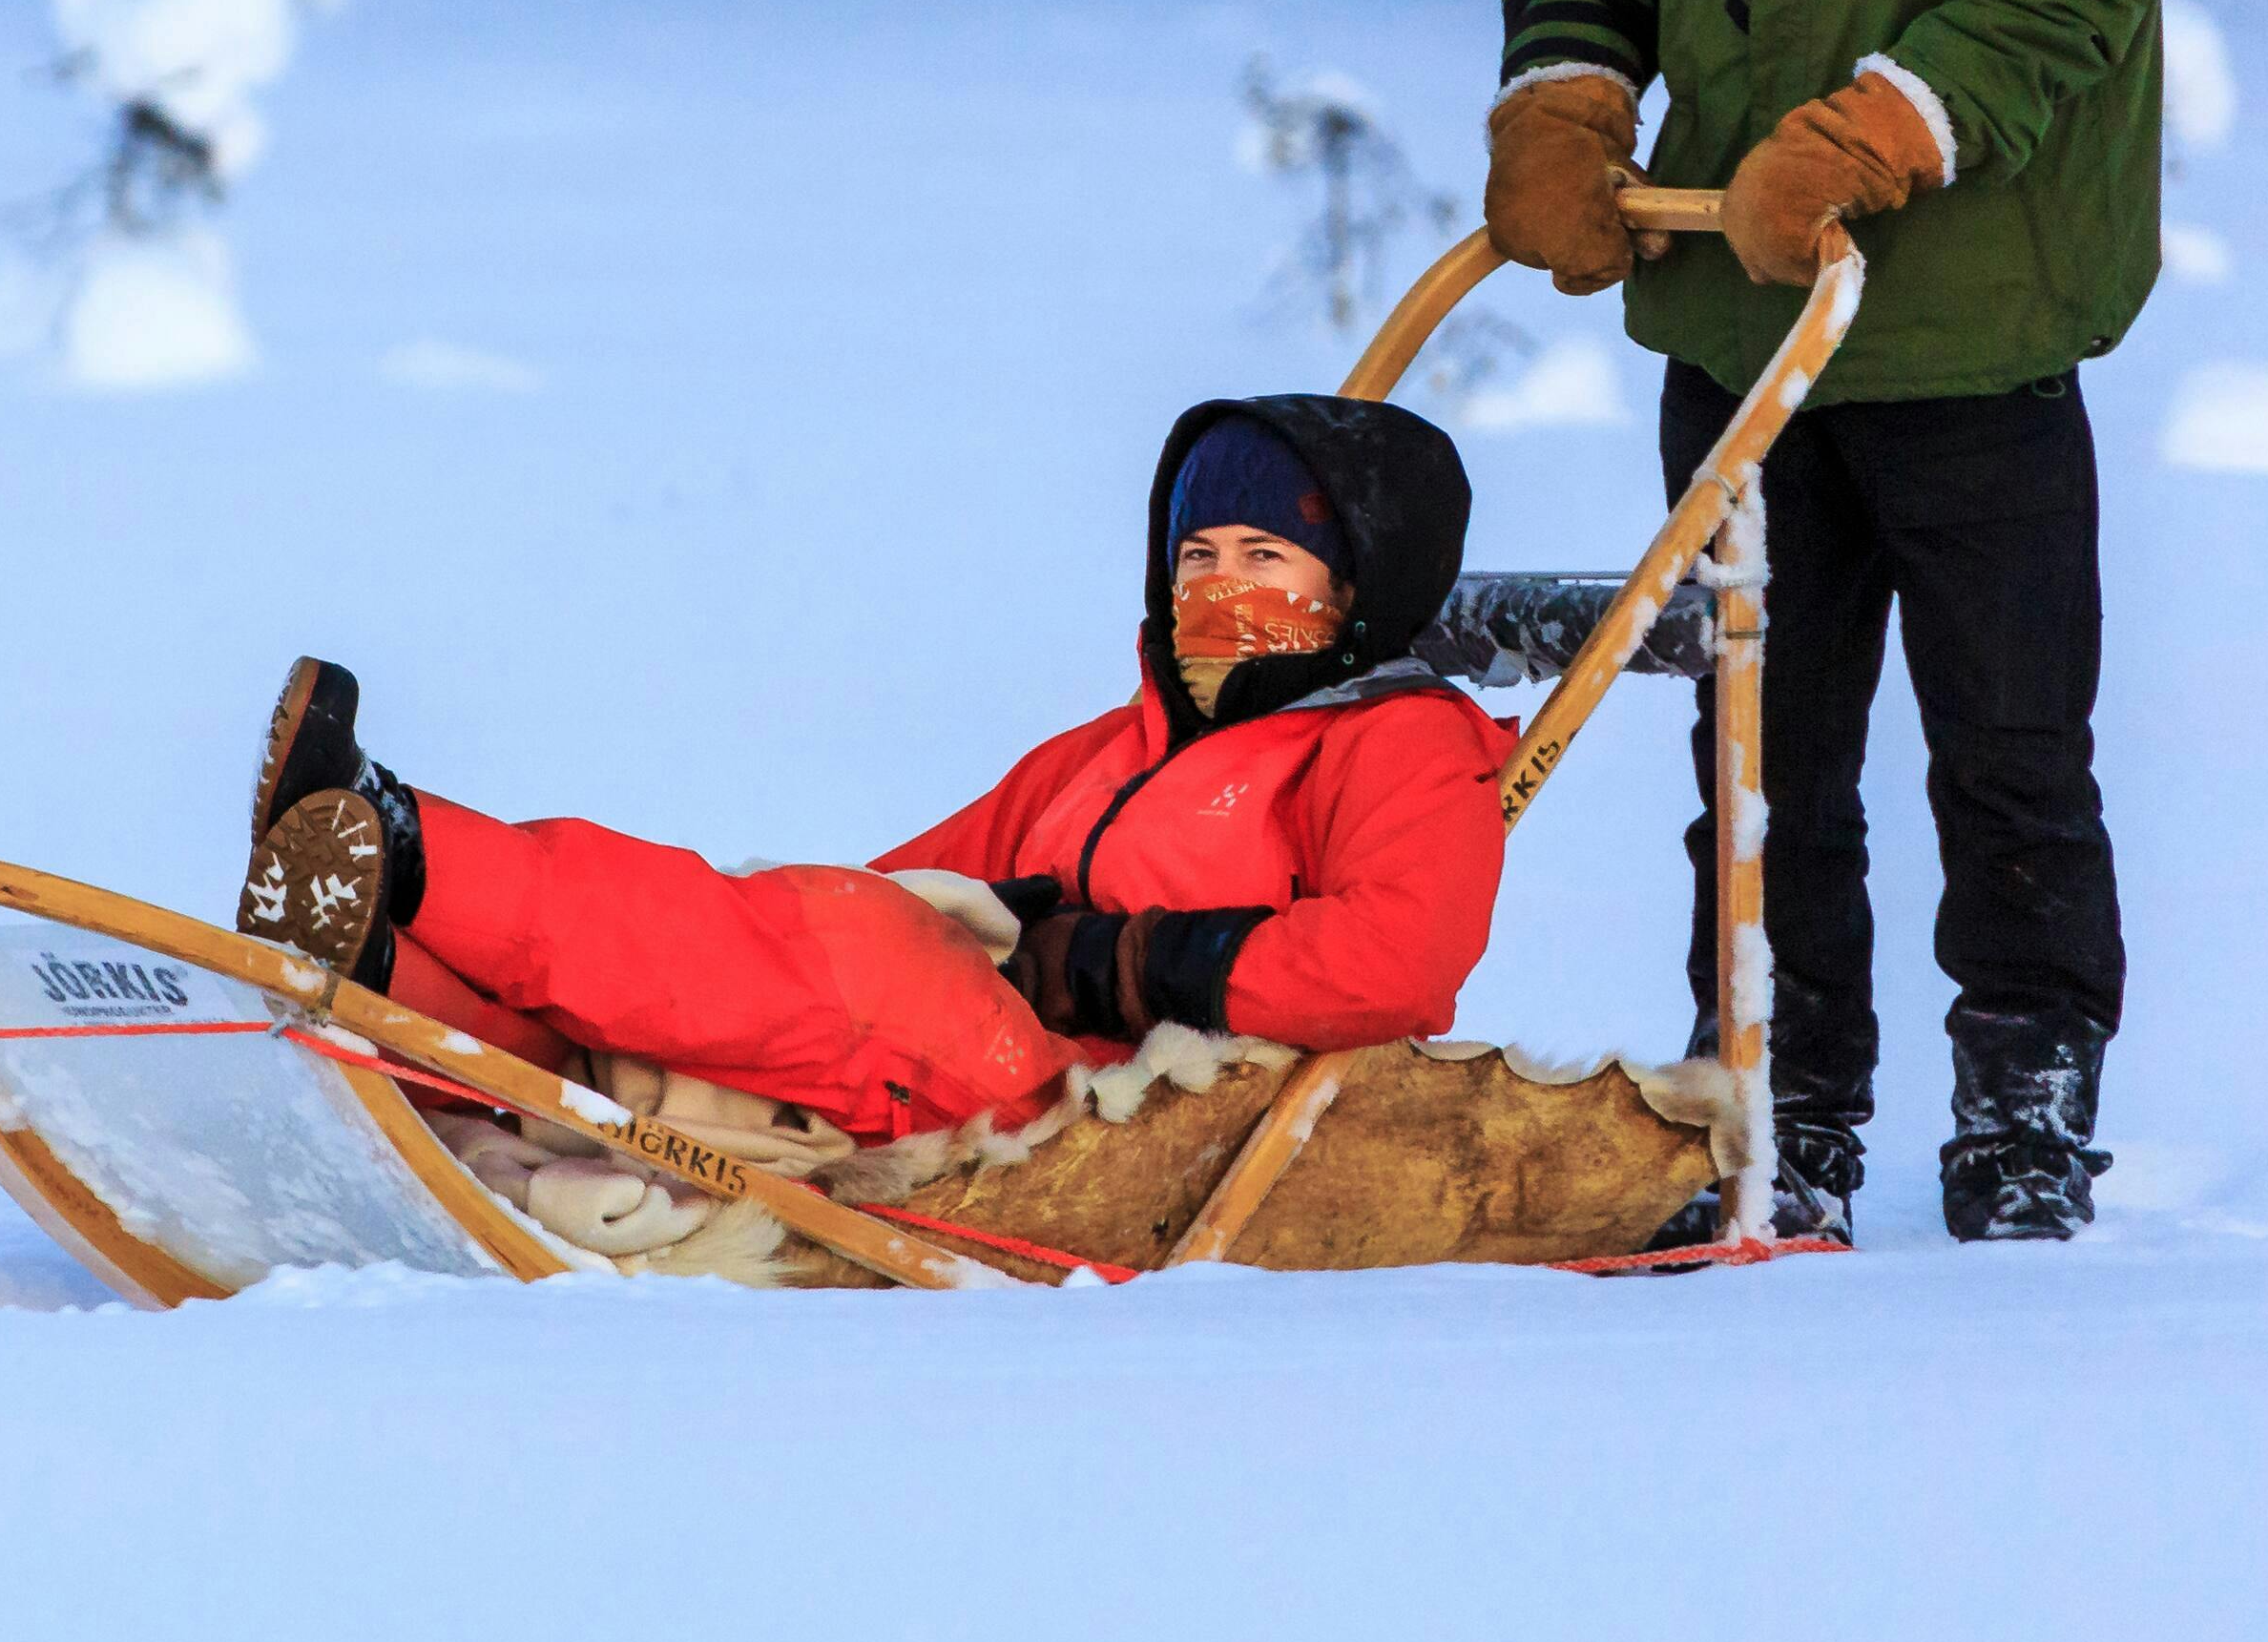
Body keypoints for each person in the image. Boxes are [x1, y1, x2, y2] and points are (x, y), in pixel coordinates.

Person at [1481, 0, 2192, 1245]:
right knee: (1760, 764)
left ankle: (2024, 1111)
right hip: (1738, 312)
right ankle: (1778, 1106)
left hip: (1967, 303)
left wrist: (1883, 125)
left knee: (2005, 751)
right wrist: (1567, 90)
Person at [234, 398, 1505, 1156]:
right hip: (979, 1040)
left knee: (840, 952)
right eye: (1199, 552)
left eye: (1266, 554)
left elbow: (1397, 962)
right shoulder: (1119, 744)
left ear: (1352, 594)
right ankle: (401, 970)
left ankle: (401, 845)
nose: (1218, 588)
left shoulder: (1399, 741)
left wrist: (1118, 959)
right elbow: (904, 884)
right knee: (785, 939)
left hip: (1105, 1112)